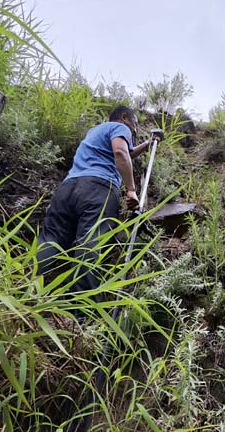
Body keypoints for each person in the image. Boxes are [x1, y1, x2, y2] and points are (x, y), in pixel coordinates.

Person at [36, 105, 158, 293]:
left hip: (68, 188)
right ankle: (81, 310)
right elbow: (120, 152)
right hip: (98, 188)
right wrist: (131, 189)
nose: (134, 129)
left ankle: (29, 289)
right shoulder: (121, 128)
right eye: (135, 124)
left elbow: (128, 151)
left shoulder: (94, 131)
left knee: (52, 238)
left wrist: (149, 144)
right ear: (124, 117)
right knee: (90, 242)